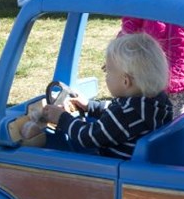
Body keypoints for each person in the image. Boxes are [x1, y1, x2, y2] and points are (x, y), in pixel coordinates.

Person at [42, 33, 174, 160]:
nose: (106, 77)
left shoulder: (124, 115)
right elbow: (116, 112)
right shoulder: (156, 102)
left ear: (125, 81)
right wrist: (90, 106)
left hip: (112, 172)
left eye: (108, 72)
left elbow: (88, 137)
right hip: (143, 164)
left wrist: (62, 118)